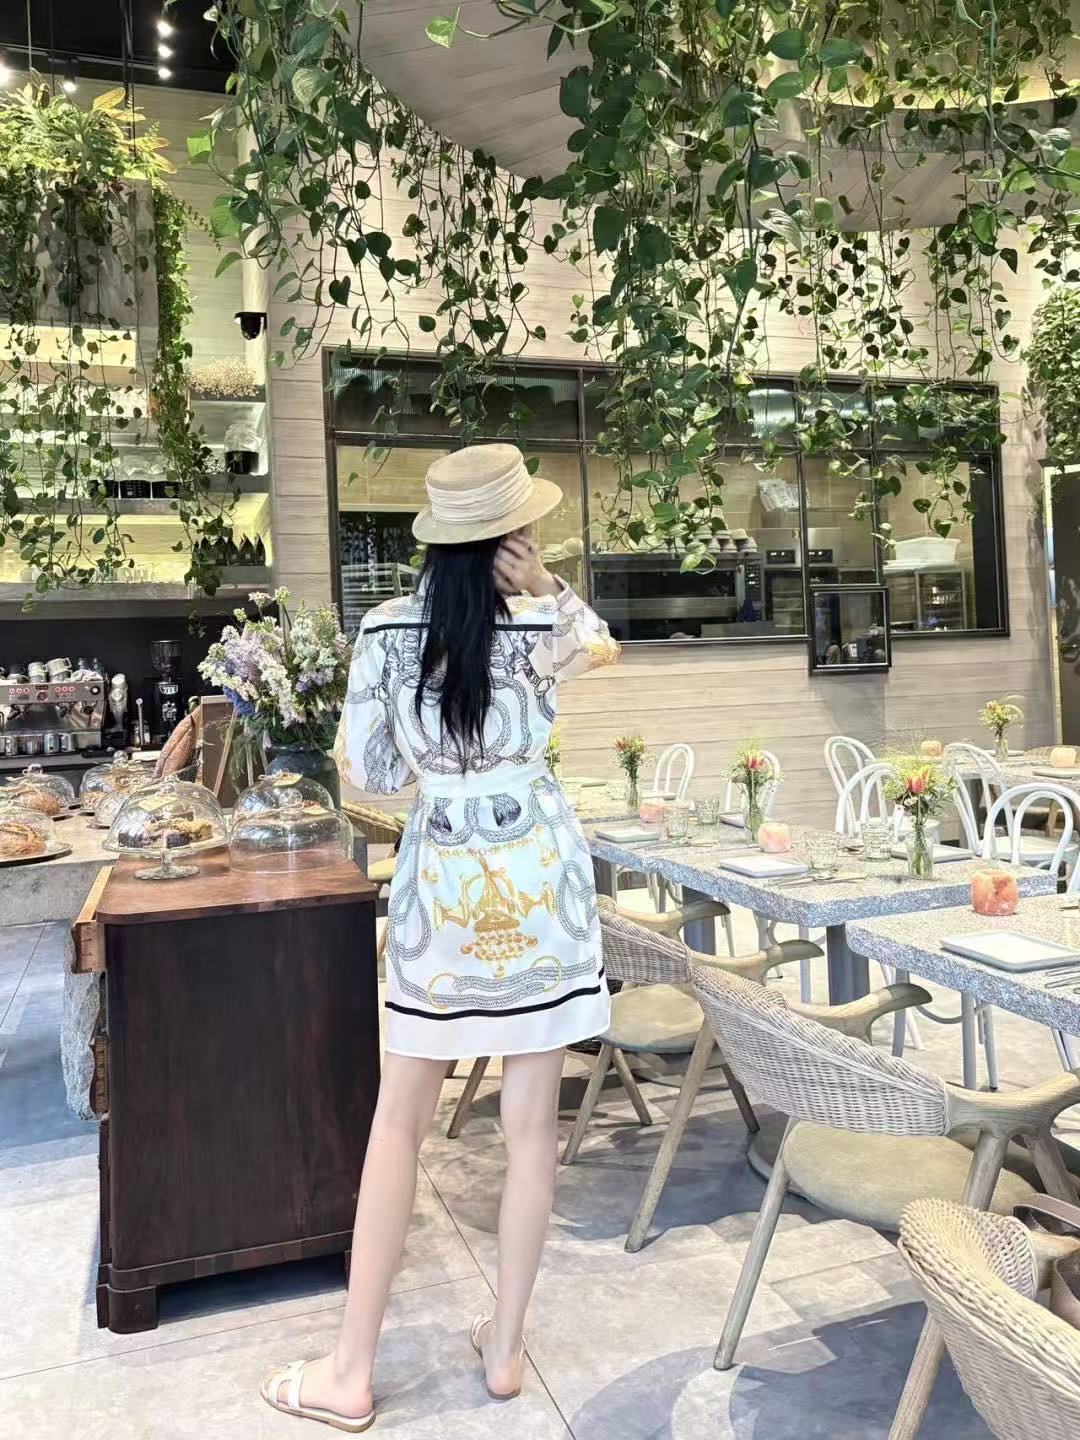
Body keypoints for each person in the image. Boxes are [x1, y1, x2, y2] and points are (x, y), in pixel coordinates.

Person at [261, 442, 620, 1432]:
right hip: (541, 880)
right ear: (512, 535)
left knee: (397, 1124)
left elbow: (372, 773)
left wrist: (435, 755)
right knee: (532, 1128)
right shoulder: (543, 620)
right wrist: (548, 588)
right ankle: (504, 1350)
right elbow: (601, 648)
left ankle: (350, 1370)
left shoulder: (385, 630)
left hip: (444, 889)